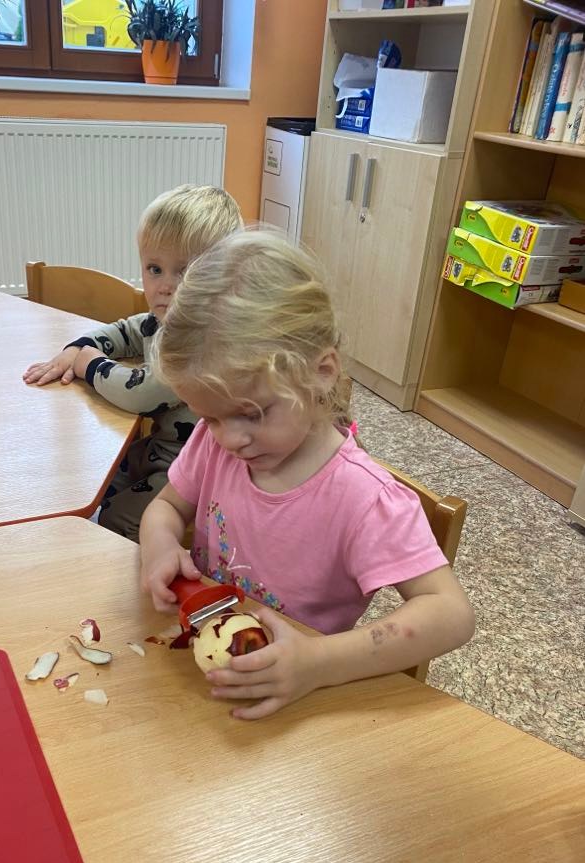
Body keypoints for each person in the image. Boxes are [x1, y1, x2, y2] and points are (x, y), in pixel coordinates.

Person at [139, 229, 475, 721]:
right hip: (210, 677)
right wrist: (160, 546)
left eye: (252, 413)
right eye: (210, 416)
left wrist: (318, 662)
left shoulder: (363, 498)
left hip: (302, 700)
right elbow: (167, 507)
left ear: (321, 371)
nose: (230, 439)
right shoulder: (215, 443)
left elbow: (450, 614)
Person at [22, 184, 243, 541]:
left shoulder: (205, 340)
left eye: (185, 272)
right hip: (160, 449)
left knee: (119, 518)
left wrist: (89, 364)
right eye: (155, 269)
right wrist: (78, 346)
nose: (166, 286)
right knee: (100, 482)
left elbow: (141, 392)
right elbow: (128, 330)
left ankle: (135, 569)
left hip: (196, 469)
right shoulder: (166, 318)